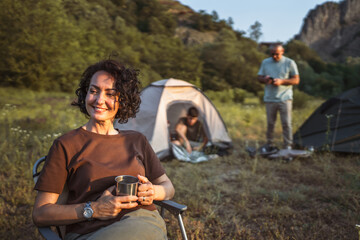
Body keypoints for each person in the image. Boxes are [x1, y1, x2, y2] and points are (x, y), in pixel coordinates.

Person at [32, 60, 175, 240]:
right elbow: (40, 213)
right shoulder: (66, 144)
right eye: (93, 91)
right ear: (85, 95)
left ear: (122, 101)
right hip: (89, 232)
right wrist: (94, 209)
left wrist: (153, 191)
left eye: (110, 94)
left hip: (141, 221)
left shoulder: (137, 140)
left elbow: (168, 187)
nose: (99, 100)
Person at [257, 44, 300, 149]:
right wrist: (265, 79)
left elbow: (296, 80)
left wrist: (281, 81)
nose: (274, 56)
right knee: (270, 123)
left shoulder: (290, 62)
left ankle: (287, 145)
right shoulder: (265, 62)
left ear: (282, 51)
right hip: (270, 98)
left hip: (285, 98)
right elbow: (259, 77)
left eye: (277, 54)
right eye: (272, 54)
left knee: (286, 123)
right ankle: (269, 144)